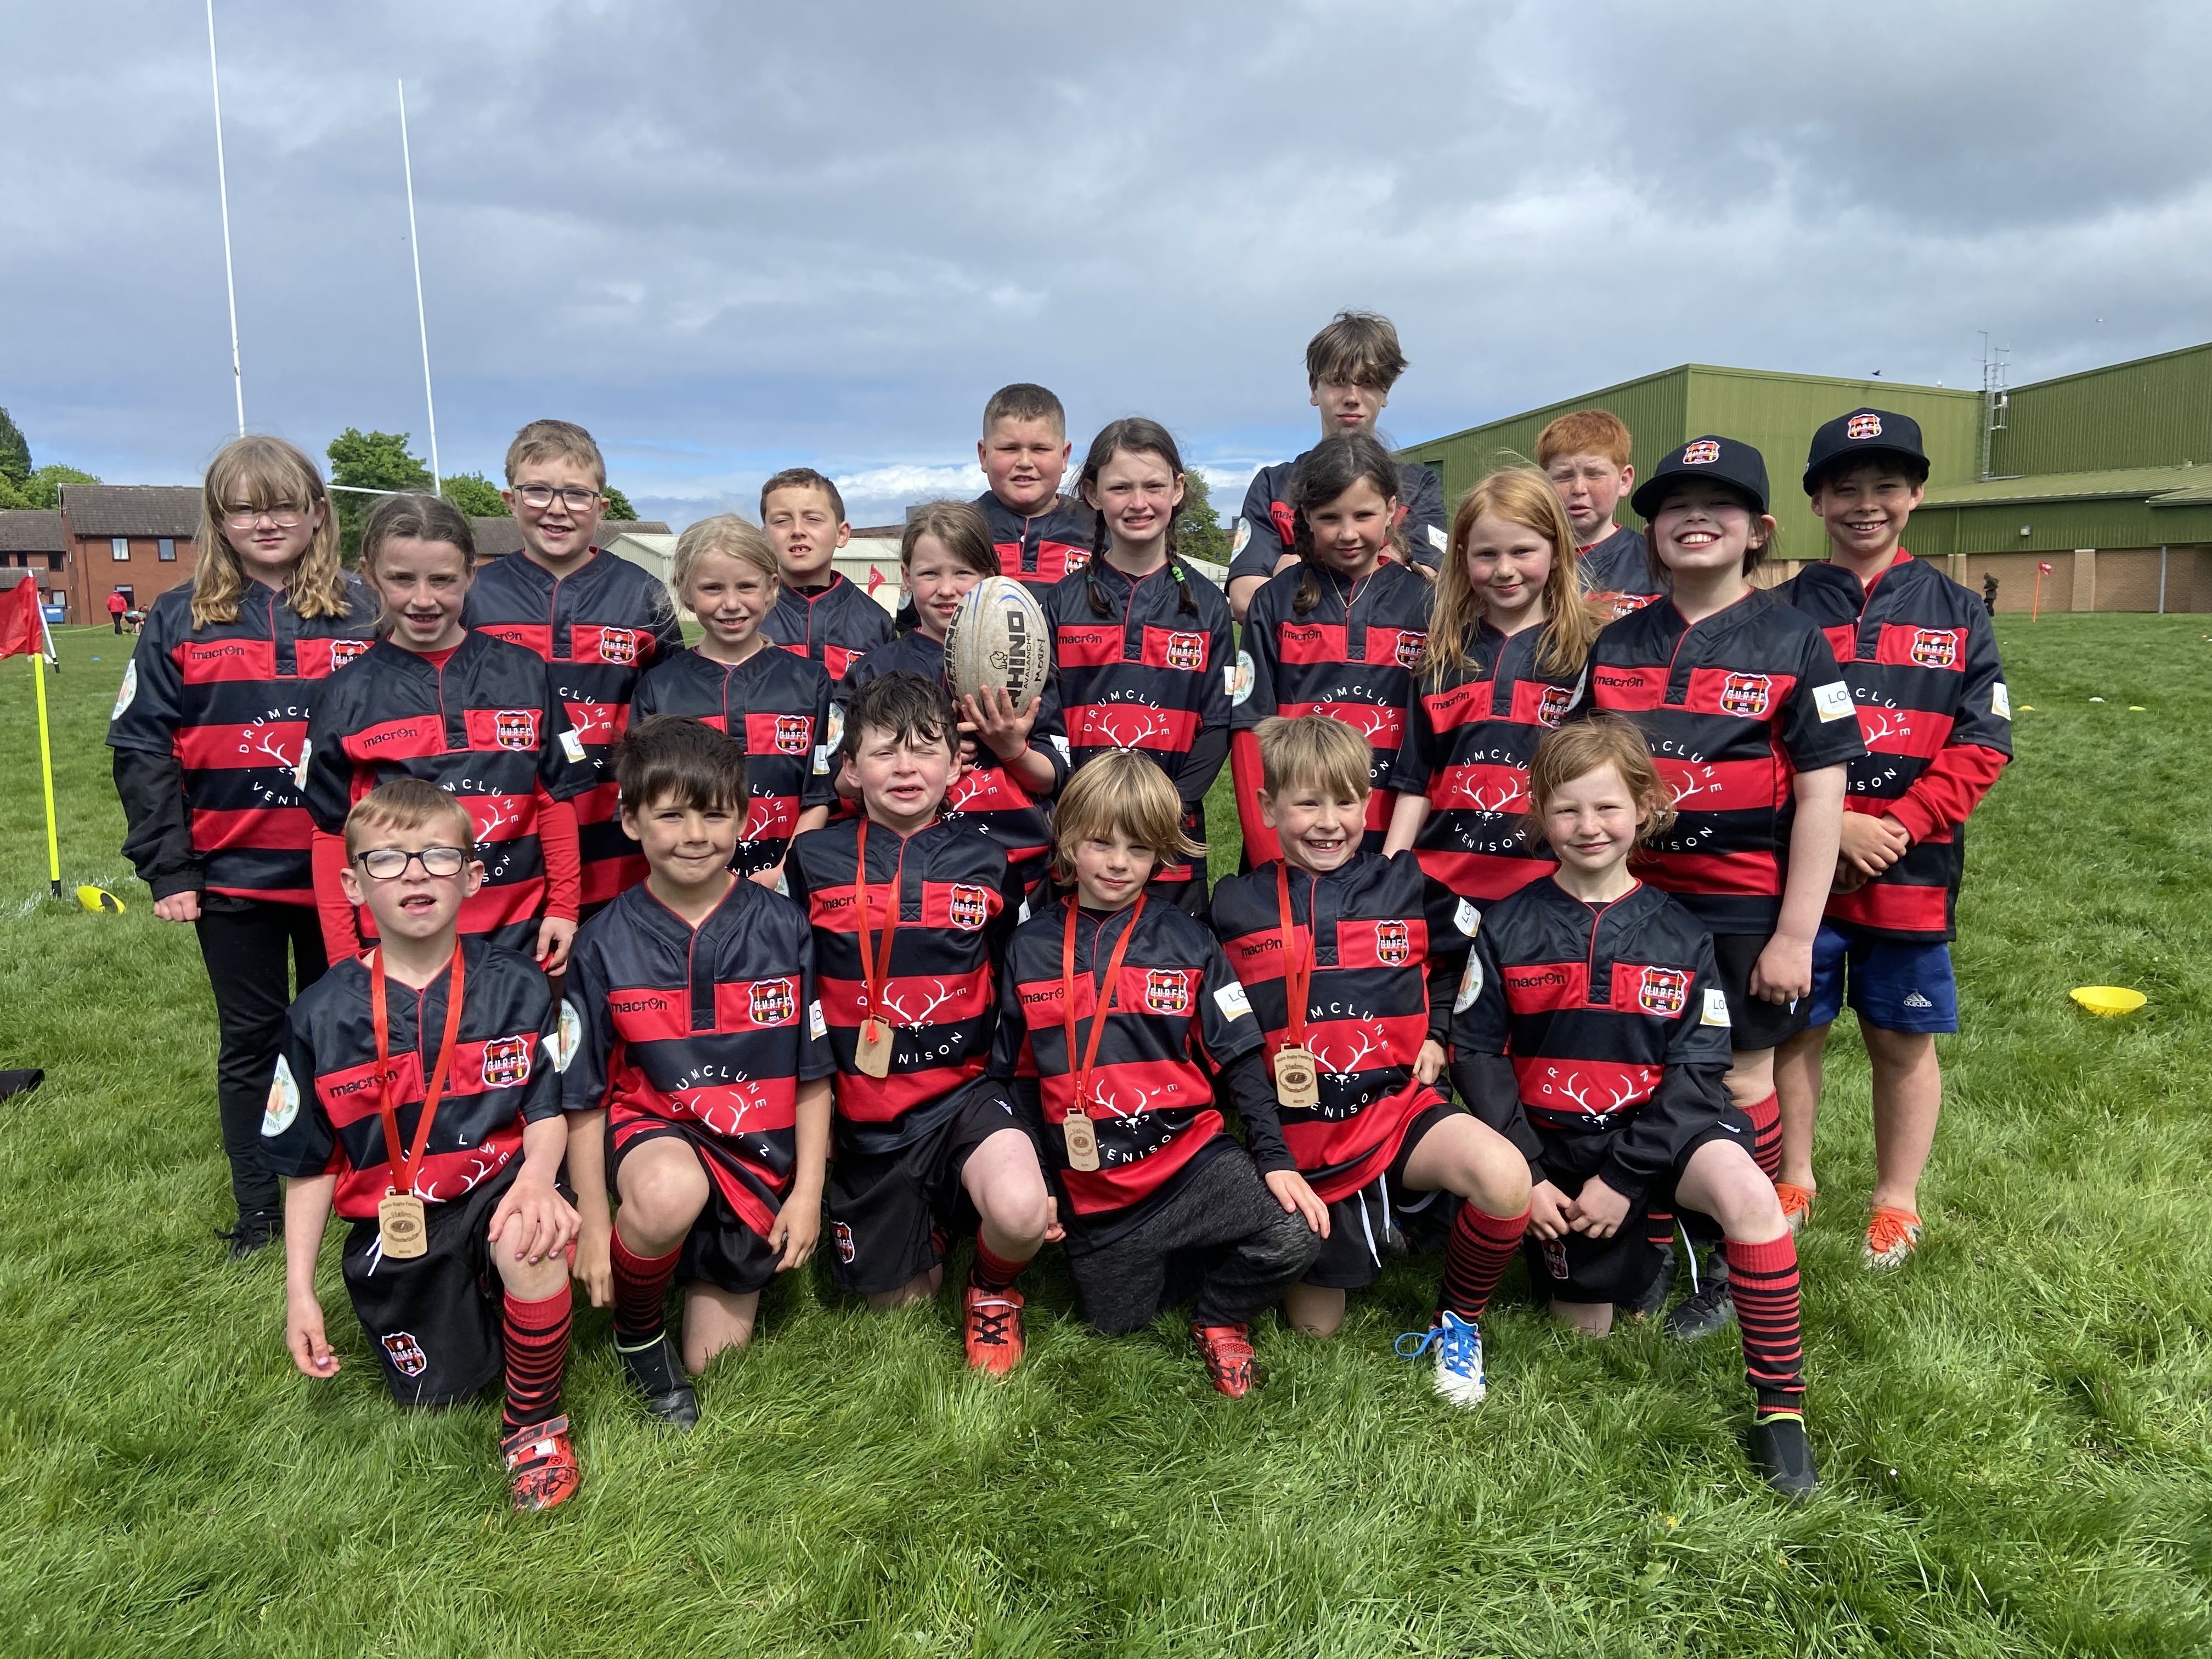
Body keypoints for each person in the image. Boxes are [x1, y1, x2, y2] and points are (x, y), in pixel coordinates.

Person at [1451, 717, 1815, 1496]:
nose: (1589, 827)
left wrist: (1627, 1175)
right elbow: (1476, 1053)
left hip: (1661, 1137)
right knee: (1585, 1331)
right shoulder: (1507, 924)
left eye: (1608, 808)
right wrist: (1530, 1170)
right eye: (1568, 810)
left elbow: (1702, 1066)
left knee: (1752, 1194)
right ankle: (1640, 1250)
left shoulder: (1682, 933)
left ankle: (1781, 1411)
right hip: (1556, 1149)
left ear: (1646, 808)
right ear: (1539, 814)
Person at [1579, 436, 1864, 1339]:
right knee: (1642, 1071)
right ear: (1651, 530)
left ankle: (1744, 1250)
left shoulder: (1794, 639)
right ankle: (1658, 1236)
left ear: (1759, 530)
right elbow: (1584, 774)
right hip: (1633, 902)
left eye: (1721, 505)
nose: (1695, 518)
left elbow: (1824, 792)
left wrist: (1793, 933)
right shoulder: (1617, 641)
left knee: (1740, 1076)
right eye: (1674, 505)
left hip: (1742, 906)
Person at [263, 778, 582, 1512]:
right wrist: (299, 1292)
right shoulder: (317, 1016)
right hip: (397, 1222)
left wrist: (539, 1179)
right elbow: (310, 1167)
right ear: (352, 884)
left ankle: (533, 1422)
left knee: (530, 1242)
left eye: (439, 857)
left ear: (473, 877)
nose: (414, 873)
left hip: (497, 1186)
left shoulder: (521, 988)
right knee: (435, 1396)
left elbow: (547, 1108)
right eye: (388, 859)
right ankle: (471, 1314)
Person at [108, 433, 377, 1259]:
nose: (267, 521)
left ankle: (365, 1191)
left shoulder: (368, 608)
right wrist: (170, 867)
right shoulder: (177, 614)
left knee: (357, 1034)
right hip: (232, 877)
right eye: (245, 507)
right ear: (218, 519)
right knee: (253, 1044)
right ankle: (261, 1209)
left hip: (350, 877)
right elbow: (141, 746)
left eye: (283, 503)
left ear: (318, 512)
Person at [1211, 715, 1531, 1405]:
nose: (1330, 822)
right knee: (1314, 1330)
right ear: (1267, 809)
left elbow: (1462, 961)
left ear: (1369, 805)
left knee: (1506, 1180)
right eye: (1307, 803)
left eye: (1347, 802)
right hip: (1306, 1138)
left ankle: (1458, 1323)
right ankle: (1386, 1224)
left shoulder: (1407, 884)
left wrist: (1440, 1031)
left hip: (1397, 1109)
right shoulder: (1233, 906)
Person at [989, 752, 1321, 1395]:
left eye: (1139, 848)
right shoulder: (1029, 950)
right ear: (1067, 841)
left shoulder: (1192, 943)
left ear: (1164, 855)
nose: (1118, 863)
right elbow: (1017, 1081)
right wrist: (1040, 1179)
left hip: (1192, 1164)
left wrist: (1275, 1157)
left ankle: (1221, 1319)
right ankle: (1168, 1257)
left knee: (1297, 1230)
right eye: (1101, 844)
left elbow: (1241, 1057)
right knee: (1118, 1326)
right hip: (1099, 1192)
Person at [1773, 409, 2011, 1265]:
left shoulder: (1959, 611)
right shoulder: (1781, 611)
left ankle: (1895, 1200)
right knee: (1795, 1030)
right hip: (1802, 873)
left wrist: (1904, 825)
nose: (1864, 505)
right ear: (1817, 500)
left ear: (1915, 495)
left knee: (1900, 1039)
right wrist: (1836, 827)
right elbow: (1762, 742)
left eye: (1884, 488)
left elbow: (1985, 743)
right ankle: (1793, 1176)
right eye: (1845, 489)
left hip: (1911, 874)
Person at [562, 716, 833, 1427]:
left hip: (757, 1160)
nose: (694, 835)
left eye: (714, 815)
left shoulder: (785, 928)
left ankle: (686, 1264)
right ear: (630, 821)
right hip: (653, 1137)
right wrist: (595, 1223)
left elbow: (812, 1074)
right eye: (670, 814)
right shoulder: (602, 944)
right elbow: (583, 1097)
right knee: (669, 1192)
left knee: (719, 1369)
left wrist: (807, 1193)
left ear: (744, 819)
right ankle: (636, 1326)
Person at [786, 672, 1053, 1372]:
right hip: (865, 1113)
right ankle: (932, 1223)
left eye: (926, 749)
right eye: (885, 752)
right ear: (851, 769)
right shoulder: (812, 862)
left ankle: (993, 1289)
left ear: (958, 765)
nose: (907, 768)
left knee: (1023, 1210)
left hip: (963, 1096)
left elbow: (1016, 985)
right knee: (901, 1305)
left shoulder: (990, 862)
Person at [302, 495, 591, 971]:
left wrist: (562, 908)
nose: (423, 599)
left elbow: (556, 799)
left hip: (519, 939)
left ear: (471, 574)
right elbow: (331, 833)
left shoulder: (526, 673)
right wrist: (342, 956)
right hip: (396, 952)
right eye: (401, 579)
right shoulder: (343, 693)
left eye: (442, 580)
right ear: (370, 575)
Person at [464, 420, 683, 910]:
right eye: (538, 491)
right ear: (509, 500)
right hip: (509, 829)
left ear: (602, 508)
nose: (558, 509)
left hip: (618, 830)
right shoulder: (473, 595)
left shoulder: (641, 593)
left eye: (577, 495)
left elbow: (671, 712)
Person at [1384, 465, 1601, 916]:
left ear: (1558, 552)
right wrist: (1389, 876)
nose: (1505, 570)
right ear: (1462, 557)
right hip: (1440, 891)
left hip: (1551, 894)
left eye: (1523, 551)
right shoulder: (1440, 657)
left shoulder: (1591, 655)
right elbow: (1416, 781)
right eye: (1487, 555)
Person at [1045, 417, 1233, 916]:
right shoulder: (1060, 603)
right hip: (1083, 837)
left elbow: (1218, 726)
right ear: (1091, 493)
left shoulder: (1208, 605)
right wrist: (1085, 808)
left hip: (1171, 834)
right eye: (1120, 487)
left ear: (1177, 489)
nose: (1139, 502)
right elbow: (1047, 722)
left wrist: (1165, 808)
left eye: (1153, 486)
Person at [1229, 430, 1435, 868]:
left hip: (1391, 843)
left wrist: (1399, 862)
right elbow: (1250, 733)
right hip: (1295, 842)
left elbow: (1433, 745)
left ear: (1393, 511)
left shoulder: (1427, 604)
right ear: (1305, 515)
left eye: (1364, 515)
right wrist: (1272, 857)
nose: (1347, 533)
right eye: (1329, 517)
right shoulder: (1273, 601)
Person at [842, 500, 1068, 898]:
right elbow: (841, 782)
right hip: (907, 874)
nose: (947, 589)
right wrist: (918, 753)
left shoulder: (1028, 663)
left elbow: (1054, 777)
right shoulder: (871, 672)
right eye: (930, 574)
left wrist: (1010, 748)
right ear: (907, 577)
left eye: (963, 572)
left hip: (1018, 871)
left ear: (991, 575)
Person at [632, 514, 834, 890]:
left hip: (789, 882)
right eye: (712, 588)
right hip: (690, 886)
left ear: (772, 587)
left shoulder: (812, 682)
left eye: (745, 586)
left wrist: (783, 873)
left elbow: (818, 795)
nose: (731, 603)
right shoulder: (659, 687)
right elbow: (647, 807)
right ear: (685, 590)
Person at [1225, 311, 1447, 623]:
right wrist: (1384, 565)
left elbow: (1426, 593)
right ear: (1315, 390)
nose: (1353, 398)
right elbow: (1245, 600)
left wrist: (1295, 570)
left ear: (1386, 393)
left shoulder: (1418, 486)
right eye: (1338, 382)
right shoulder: (1273, 485)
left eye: (1368, 383)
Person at [761, 466, 891, 683]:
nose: (797, 530)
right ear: (764, 536)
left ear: (841, 534)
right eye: (782, 521)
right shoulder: (750, 615)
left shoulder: (875, 620)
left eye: (812, 519)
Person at [1537, 409, 1665, 616]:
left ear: (1624, 481)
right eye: (1564, 476)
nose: (1579, 488)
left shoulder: (1659, 564)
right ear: (1543, 484)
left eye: (1594, 475)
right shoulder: (1522, 563)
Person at [974, 382, 1094, 597]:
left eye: (1040, 449)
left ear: (1065, 456)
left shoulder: (1100, 530)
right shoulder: (957, 530)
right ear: (984, 455)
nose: (1025, 462)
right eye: (1009, 449)